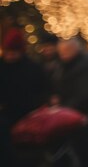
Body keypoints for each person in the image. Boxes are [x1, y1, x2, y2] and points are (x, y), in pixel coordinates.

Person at [53, 37, 88, 167]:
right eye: (61, 51)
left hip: (85, 118)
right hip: (74, 118)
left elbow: (87, 93)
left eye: (66, 50)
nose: (63, 54)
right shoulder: (63, 67)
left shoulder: (85, 65)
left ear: (75, 49)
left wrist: (63, 109)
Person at [0, 28, 47, 166]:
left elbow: (42, 89)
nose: (10, 56)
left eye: (13, 53)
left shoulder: (33, 68)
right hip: (5, 117)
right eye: (8, 52)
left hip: (28, 116)